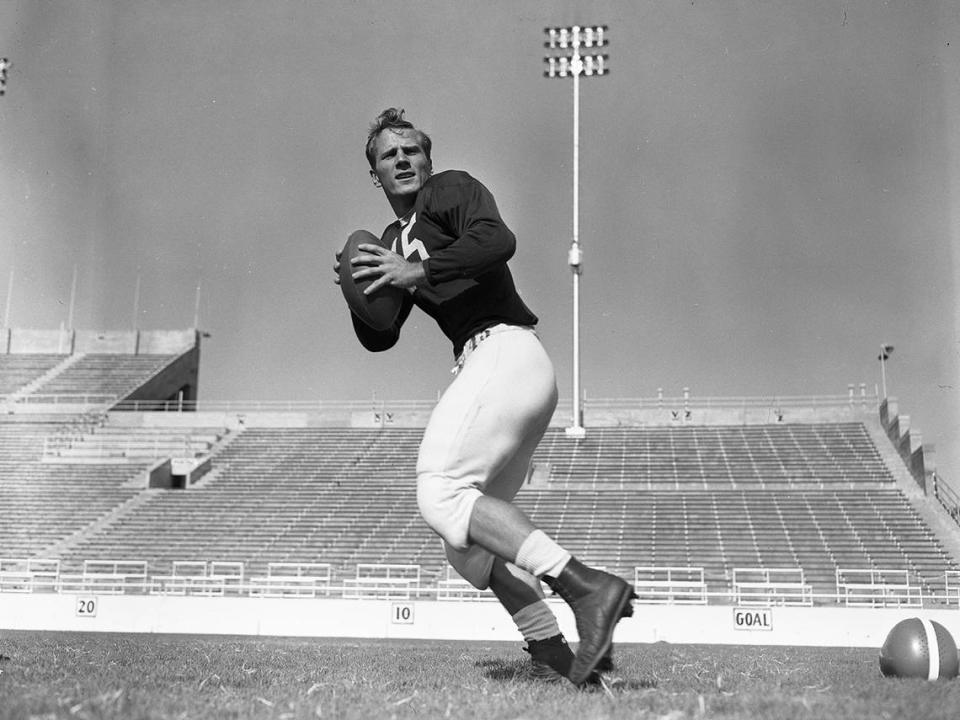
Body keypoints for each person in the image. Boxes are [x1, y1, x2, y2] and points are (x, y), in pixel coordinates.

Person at [333, 108, 635, 686]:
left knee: (440, 491)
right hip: (492, 365)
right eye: (387, 155)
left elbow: (498, 239)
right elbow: (382, 337)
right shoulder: (393, 240)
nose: (401, 159)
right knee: (465, 545)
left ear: (427, 157)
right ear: (374, 175)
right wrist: (356, 290)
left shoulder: (447, 189)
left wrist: (413, 271)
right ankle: (562, 660)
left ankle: (587, 588)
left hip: (505, 349)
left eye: (410, 150)